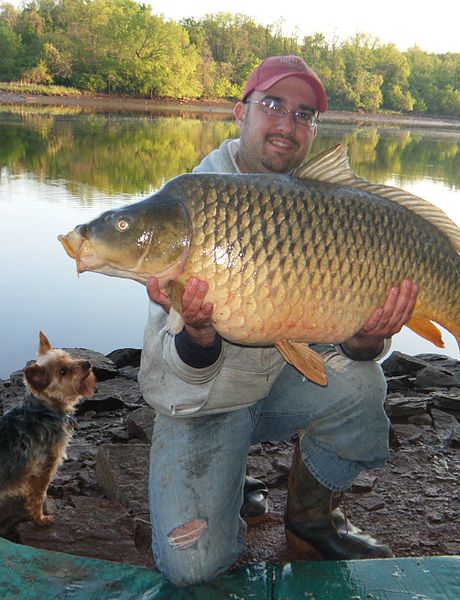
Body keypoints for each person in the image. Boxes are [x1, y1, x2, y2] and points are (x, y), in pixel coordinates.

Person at [138, 55, 419, 587]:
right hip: (203, 403)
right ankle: (226, 482)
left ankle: (313, 518)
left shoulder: (324, 205)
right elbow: (167, 371)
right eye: (273, 105)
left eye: (304, 114)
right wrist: (199, 332)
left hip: (285, 384)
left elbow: (346, 340)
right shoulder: (190, 206)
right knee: (191, 566)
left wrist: (366, 336)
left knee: (362, 381)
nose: (288, 124)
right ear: (240, 113)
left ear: (314, 130)